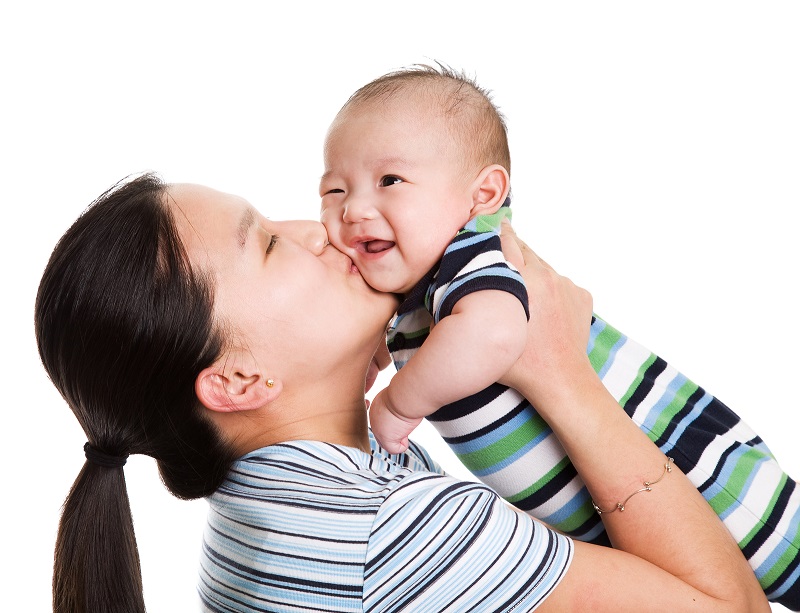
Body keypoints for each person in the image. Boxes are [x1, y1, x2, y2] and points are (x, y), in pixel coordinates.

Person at [36, 173, 769, 612]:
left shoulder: (263, 502)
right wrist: (557, 369)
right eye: (265, 244)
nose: (318, 230)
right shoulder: (388, 528)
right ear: (236, 381)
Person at [320, 64, 800, 609]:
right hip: (621, 509)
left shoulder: (472, 255)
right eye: (334, 189)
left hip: (702, 477)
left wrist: (397, 405)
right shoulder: (414, 287)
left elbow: (493, 332)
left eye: (390, 181)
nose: (353, 209)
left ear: (482, 195)